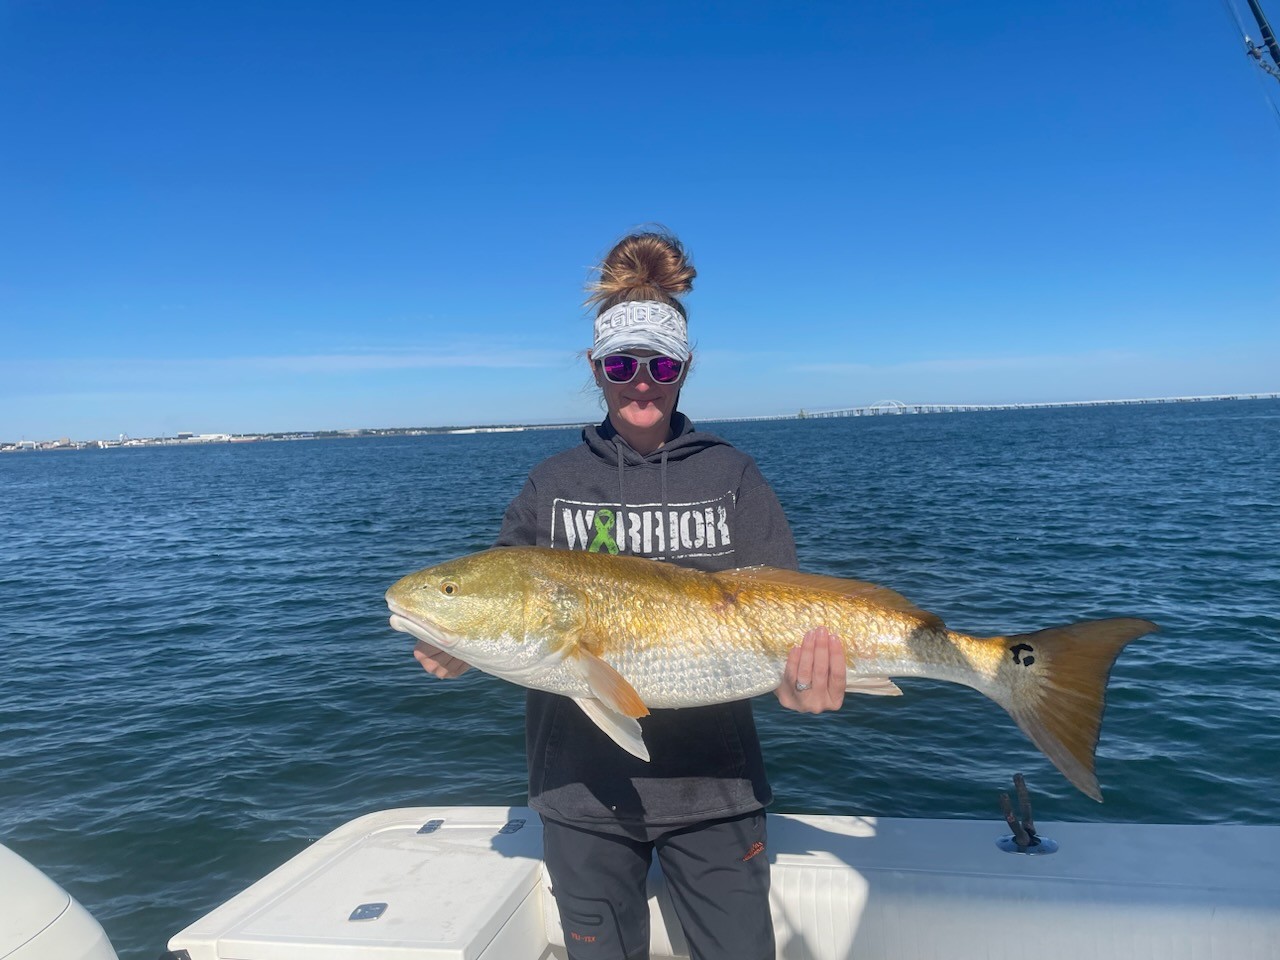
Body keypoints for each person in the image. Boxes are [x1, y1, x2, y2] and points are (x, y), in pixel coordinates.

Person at [414, 230, 845, 960]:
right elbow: (502, 601)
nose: (640, 382)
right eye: (620, 364)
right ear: (596, 368)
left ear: (684, 368)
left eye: (660, 365)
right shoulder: (551, 484)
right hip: (579, 799)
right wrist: (452, 643)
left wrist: (806, 685)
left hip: (720, 795)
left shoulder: (733, 475)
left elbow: (784, 611)